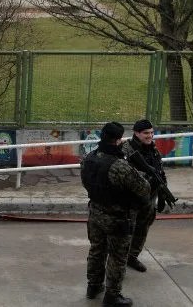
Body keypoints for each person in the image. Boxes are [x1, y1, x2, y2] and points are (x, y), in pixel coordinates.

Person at [81, 121, 151, 306]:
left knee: (96, 250)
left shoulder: (89, 158)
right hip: (117, 219)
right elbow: (143, 189)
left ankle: (93, 286)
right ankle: (112, 296)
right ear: (119, 140)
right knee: (117, 257)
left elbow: (86, 182)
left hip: (95, 213)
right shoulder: (119, 165)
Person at [122, 119, 167, 273]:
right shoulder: (126, 150)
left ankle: (132, 256)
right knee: (126, 231)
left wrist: (162, 194)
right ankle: (119, 260)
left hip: (149, 199)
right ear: (136, 133)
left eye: (152, 132)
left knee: (143, 228)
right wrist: (147, 177)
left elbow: (160, 172)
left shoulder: (153, 150)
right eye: (146, 133)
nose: (150, 136)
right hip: (131, 200)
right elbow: (125, 173)